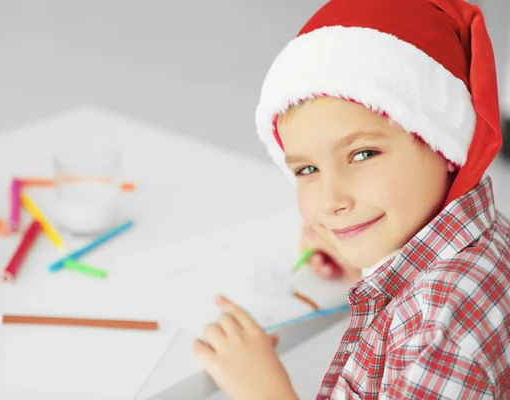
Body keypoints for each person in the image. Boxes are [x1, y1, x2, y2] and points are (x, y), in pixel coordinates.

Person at [193, 0, 510, 399]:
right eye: (307, 170)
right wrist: (367, 258)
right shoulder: (480, 237)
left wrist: (263, 389)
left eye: (363, 155)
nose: (331, 201)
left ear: (444, 144)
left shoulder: (437, 329)